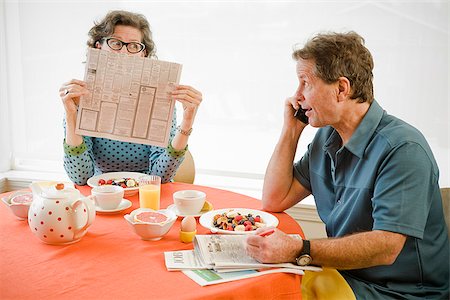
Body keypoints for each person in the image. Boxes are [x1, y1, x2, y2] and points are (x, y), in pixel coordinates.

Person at [246, 31, 449, 299]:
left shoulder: (403, 150)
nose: (297, 95)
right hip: (342, 275)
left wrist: (299, 248)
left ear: (341, 89)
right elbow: (274, 198)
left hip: (397, 293)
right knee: (261, 285)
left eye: (305, 83)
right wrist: (290, 131)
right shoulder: (327, 137)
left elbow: (386, 247)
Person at [59, 10, 202, 185]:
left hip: (147, 193)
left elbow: (161, 176)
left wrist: (186, 124)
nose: (125, 53)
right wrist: (71, 116)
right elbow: (80, 178)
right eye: (115, 43)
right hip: (100, 193)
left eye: (134, 46)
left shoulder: (160, 98)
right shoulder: (79, 96)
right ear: (98, 47)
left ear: (143, 54)